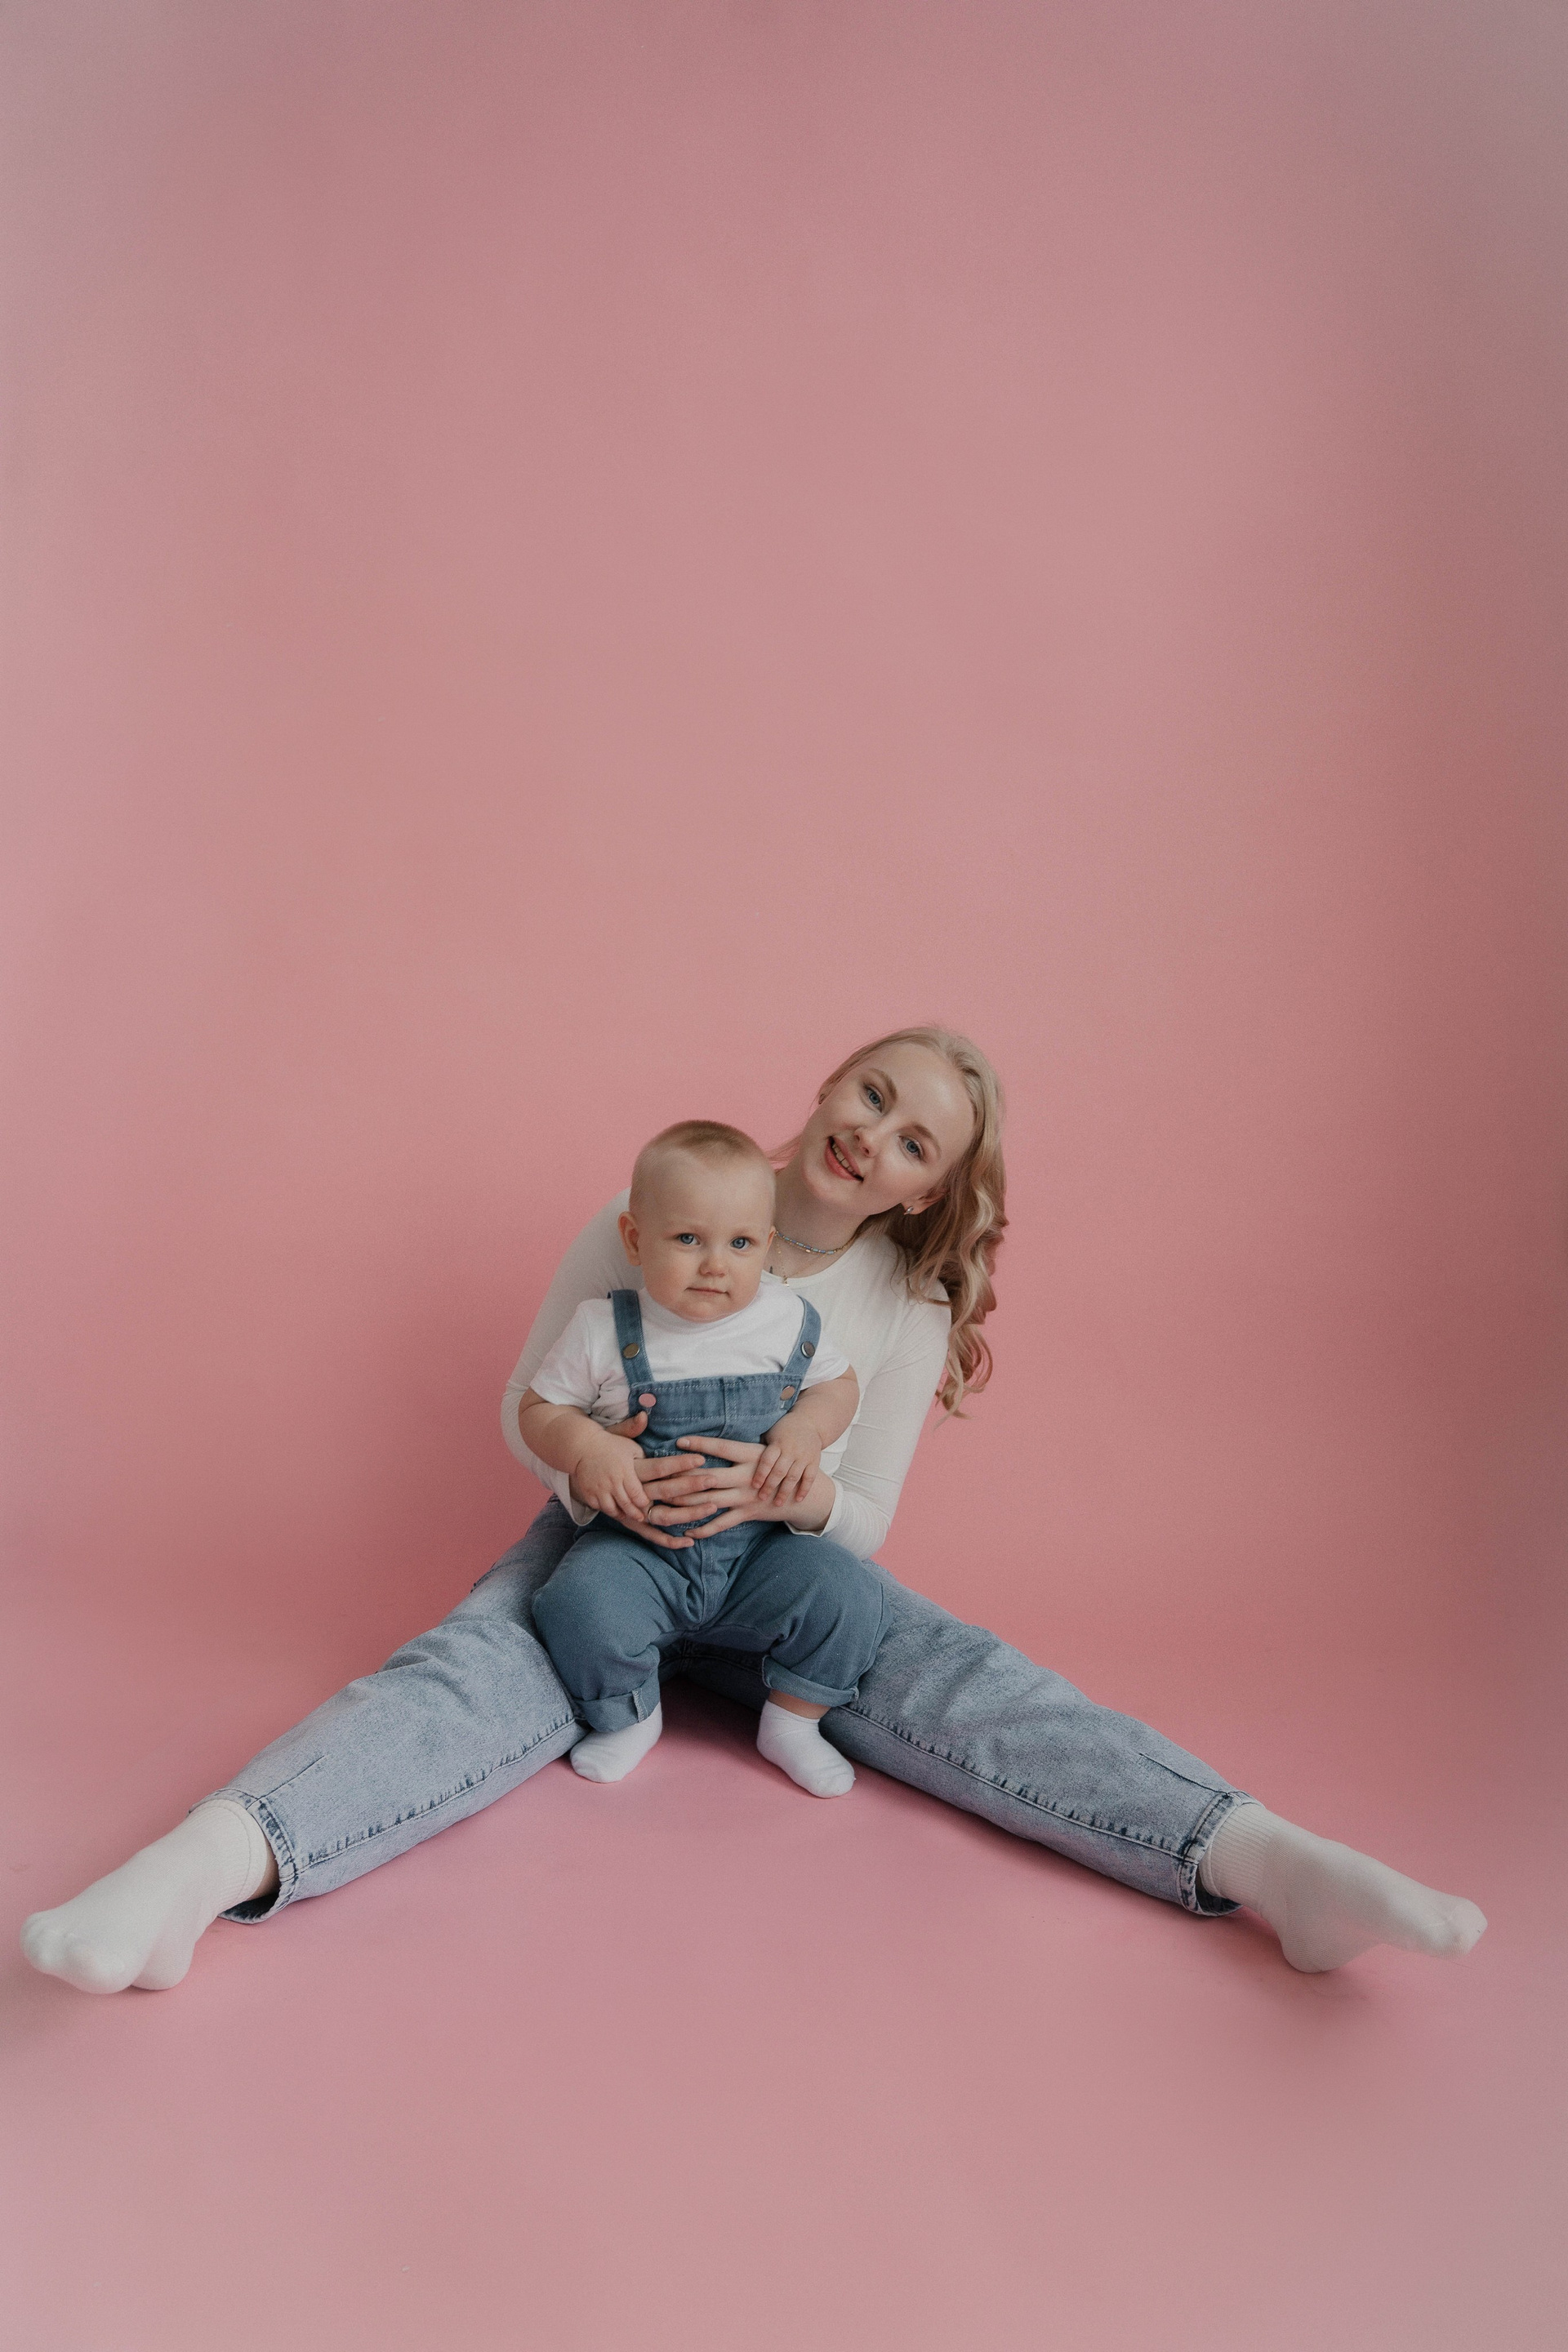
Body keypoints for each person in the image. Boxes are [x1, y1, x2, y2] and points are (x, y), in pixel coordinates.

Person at [21, 1026, 1487, 1994]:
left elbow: (867, 1514)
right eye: (874, 1095)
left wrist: (791, 1484)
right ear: (830, 1083)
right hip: (614, 1550)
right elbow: (534, 1399)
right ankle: (200, 1871)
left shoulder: (901, 1303)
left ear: (924, 1193)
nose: (876, 1137)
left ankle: (1259, 1858)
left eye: (916, 1143)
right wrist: (592, 1472)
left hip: (784, 1576)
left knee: (966, 1677)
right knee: (465, 1665)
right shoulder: (662, 1202)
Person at [523, 1117, 878, 1797]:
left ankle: (793, 1723)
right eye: (688, 1239)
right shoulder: (603, 1328)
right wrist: (589, 1447)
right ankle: (631, 1716)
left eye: (740, 1243)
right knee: (576, 1603)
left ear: (765, 1245)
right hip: (638, 1550)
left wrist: (806, 1431)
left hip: (759, 1554)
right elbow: (538, 1410)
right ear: (635, 1239)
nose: (715, 1265)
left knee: (849, 1593)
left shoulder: (785, 1319)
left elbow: (838, 1384)